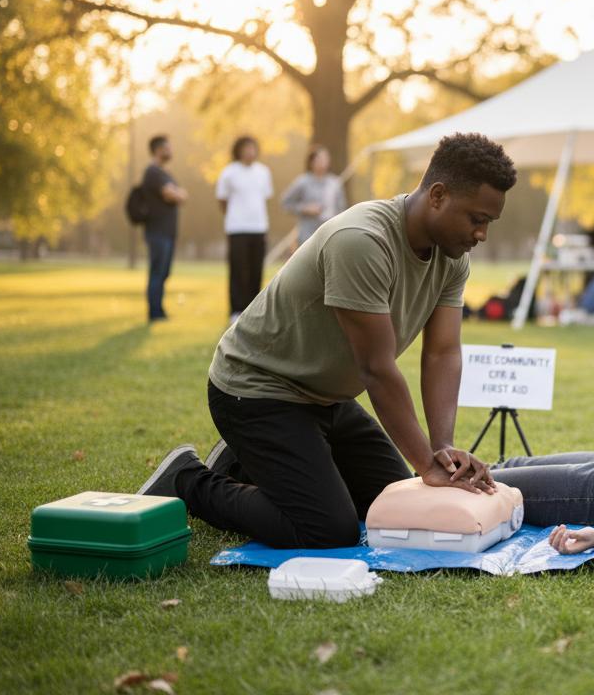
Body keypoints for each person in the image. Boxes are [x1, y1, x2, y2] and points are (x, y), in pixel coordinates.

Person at [136, 133, 518, 549]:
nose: (481, 234)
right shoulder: (362, 241)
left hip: (326, 400)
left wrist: (442, 447)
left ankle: (244, 463)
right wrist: (425, 462)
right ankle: (188, 479)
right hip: (257, 390)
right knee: (325, 527)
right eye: (476, 219)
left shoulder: (452, 259)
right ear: (439, 195)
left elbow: (443, 353)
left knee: (387, 505)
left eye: (489, 223)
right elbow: (377, 368)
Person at [216, 136, 274, 324]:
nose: (250, 152)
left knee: (256, 270)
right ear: (238, 150)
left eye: (253, 148)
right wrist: (234, 217)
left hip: (258, 227)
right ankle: (236, 310)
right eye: (246, 148)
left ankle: (253, 309)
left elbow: (264, 197)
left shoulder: (263, 172)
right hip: (237, 228)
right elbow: (222, 200)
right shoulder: (229, 172)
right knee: (238, 269)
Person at [138, 135, 187, 323]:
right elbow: (171, 194)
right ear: (158, 150)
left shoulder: (165, 174)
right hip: (157, 231)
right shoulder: (153, 172)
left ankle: (159, 309)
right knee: (157, 271)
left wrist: (178, 194)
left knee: (163, 272)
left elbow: (179, 195)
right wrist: (178, 194)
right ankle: (154, 312)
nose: (170, 151)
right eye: (167, 147)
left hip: (167, 231)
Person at [282, 144, 347, 249]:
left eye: (325, 158)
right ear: (311, 161)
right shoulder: (302, 182)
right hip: (307, 236)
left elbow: (342, 209)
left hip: (330, 235)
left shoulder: (335, 183)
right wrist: (305, 208)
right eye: (319, 158)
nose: (323, 161)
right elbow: (285, 203)